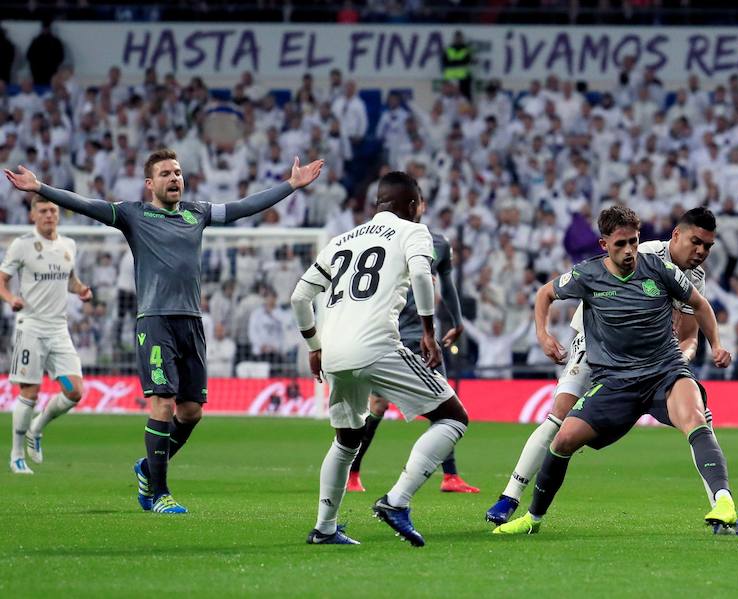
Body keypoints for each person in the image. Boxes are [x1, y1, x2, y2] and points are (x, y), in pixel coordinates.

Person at [5, 149, 324, 512]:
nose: (174, 178)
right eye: (165, 173)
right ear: (149, 183)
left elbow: (243, 207)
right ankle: (159, 493)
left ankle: (148, 468)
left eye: (178, 172)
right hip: (155, 321)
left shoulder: (197, 212)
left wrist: (290, 185)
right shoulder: (133, 214)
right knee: (162, 402)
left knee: (191, 412)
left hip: (191, 321)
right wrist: (41, 187)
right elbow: (87, 205)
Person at [493, 206, 736, 536]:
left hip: (660, 367)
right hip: (600, 353)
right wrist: (544, 336)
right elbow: (546, 292)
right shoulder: (621, 262)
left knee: (698, 416)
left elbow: (695, 320)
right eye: (696, 242)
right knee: (561, 427)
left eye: (708, 246)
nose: (701, 252)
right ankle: (516, 503)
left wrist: (706, 349)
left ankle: (722, 507)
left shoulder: (673, 272)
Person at [291, 171, 469, 546]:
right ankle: (396, 501)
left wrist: (314, 346)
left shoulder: (341, 240)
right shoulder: (413, 232)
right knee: (453, 417)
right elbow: (422, 275)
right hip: (376, 345)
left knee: (346, 441)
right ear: (412, 205)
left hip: (333, 352)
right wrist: (428, 331)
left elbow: (299, 297)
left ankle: (324, 528)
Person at [347, 210, 477, 494]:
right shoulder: (383, 240)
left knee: (446, 403)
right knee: (378, 406)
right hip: (391, 335)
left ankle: (450, 476)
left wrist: (457, 322)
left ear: (420, 205)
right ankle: (352, 471)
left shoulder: (438, 243)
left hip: (425, 337)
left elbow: (448, 286)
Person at [1, 196, 93, 474]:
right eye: (43, 211)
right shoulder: (22, 245)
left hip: (58, 329)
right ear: (33, 216)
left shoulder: (68, 245)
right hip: (30, 327)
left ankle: (36, 428)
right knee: (30, 391)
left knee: (75, 391)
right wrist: (10, 298)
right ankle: (17, 455)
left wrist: (81, 289)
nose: (49, 215)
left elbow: (70, 279)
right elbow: (2, 280)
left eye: (53, 210)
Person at [25, 20, 64, 87]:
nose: (45, 30)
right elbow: (29, 55)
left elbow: (60, 57)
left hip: (46, 71)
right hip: (39, 71)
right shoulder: (37, 41)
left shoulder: (54, 42)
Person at [442, 31, 473, 100]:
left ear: (462, 39)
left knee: (465, 96)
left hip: (463, 76)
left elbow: (467, 60)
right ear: (454, 38)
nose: (458, 39)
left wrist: (453, 61)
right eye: (456, 38)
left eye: (459, 38)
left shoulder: (466, 49)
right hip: (450, 76)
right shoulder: (448, 49)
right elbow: (444, 61)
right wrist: (459, 61)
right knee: (448, 97)